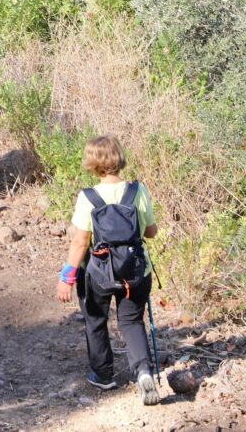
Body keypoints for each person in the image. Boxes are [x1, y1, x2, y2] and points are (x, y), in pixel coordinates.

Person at [55, 135, 160, 406]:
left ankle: (103, 375)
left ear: (92, 162)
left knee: (96, 318)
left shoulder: (88, 197)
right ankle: (144, 371)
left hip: (99, 273)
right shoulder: (138, 190)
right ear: (119, 158)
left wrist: (67, 277)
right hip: (135, 270)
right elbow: (151, 232)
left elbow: (80, 241)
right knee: (132, 321)